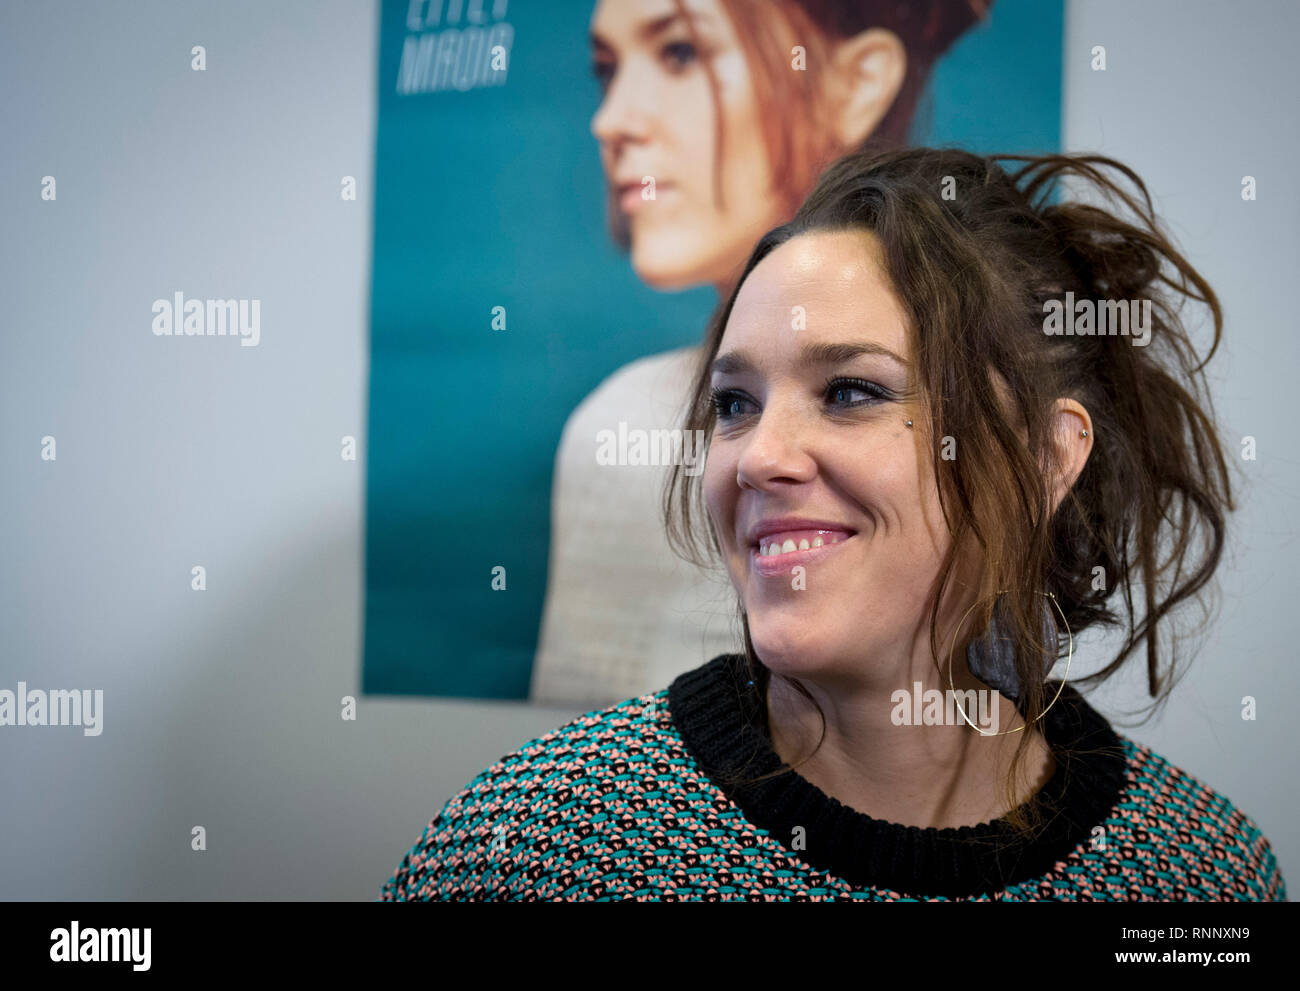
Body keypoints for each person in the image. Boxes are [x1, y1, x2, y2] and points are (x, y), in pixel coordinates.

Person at [381, 146, 1286, 900]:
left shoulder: (1200, 875)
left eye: (851, 391)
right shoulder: (536, 847)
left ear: (1048, 457)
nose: (758, 456)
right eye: (734, 403)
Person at [531, 0, 992, 703]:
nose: (610, 120)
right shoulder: (618, 425)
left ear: (858, 81)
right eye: (733, 404)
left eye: (680, 52)